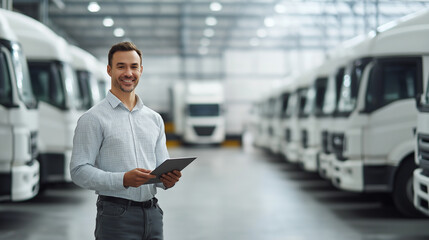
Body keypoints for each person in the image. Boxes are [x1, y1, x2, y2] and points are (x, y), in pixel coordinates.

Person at [70, 41, 181, 240]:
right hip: (116, 216)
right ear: (109, 70)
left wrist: (167, 180)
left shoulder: (154, 119)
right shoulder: (93, 118)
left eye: (133, 67)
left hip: (153, 214)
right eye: (121, 66)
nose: (128, 73)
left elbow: (161, 166)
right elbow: (79, 171)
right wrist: (123, 180)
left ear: (141, 70)